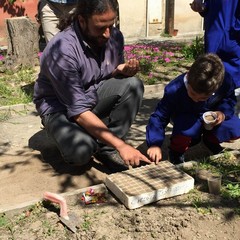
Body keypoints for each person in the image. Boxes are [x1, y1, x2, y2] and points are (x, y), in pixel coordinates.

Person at [33, 0, 151, 172]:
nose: (107, 34)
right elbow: (79, 111)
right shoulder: (62, 50)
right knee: (81, 152)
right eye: (100, 27)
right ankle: (63, 134)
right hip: (59, 108)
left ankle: (106, 148)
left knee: (133, 85)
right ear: (82, 21)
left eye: (111, 24)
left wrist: (120, 70)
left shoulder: (114, 36)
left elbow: (101, 75)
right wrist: (122, 145)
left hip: (90, 95)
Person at [146, 53, 240, 165]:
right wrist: (154, 143)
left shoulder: (226, 81)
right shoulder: (174, 89)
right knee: (184, 130)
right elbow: (159, 116)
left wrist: (222, 113)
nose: (196, 99)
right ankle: (176, 152)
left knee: (235, 128)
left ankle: (210, 141)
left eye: (204, 97)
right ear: (188, 75)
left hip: (211, 116)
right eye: (192, 93)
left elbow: (229, 99)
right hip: (186, 116)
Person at [190, 0, 240, 116]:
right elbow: (214, 8)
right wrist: (202, 8)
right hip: (214, 40)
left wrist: (235, 33)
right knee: (212, 87)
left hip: (234, 49)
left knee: (232, 94)